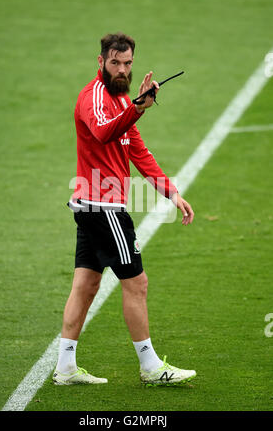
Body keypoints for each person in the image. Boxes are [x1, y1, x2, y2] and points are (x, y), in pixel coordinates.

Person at [53, 32, 196, 386]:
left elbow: (137, 151)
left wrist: (171, 192)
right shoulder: (94, 98)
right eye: (114, 63)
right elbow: (102, 133)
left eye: (127, 63)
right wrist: (137, 109)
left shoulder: (120, 100)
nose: (121, 69)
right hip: (103, 206)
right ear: (100, 61)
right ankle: (150, 366)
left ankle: (65, 367)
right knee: (137, 283)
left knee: (85, 283)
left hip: (91, 204)